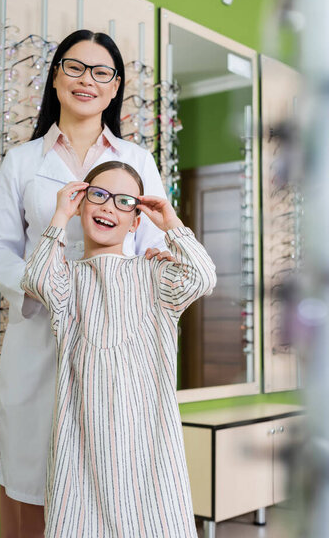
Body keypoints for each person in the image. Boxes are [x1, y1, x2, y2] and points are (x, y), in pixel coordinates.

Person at [0, 30, 174, 537]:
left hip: (114, 345)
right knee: (33, 482)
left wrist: (154, 264)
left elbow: (158, 244)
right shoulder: (22, 162)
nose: (87, 80)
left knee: (112, 482)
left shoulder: (138, 161)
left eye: (101, 72)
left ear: (114, 89)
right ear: (56, 77)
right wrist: (39, 284)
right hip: (40, 337)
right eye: (75, 67)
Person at [21, 160, 216, 537]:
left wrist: (171, 223)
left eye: (124, 201)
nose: (108, 207)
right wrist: (59, 215)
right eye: (98, 195)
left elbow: (203, 277)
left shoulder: (155, 274)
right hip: (80, 446)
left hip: (149, 446)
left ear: (136, 219)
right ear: (81, 204)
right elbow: (36, 278)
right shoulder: (67, 279)